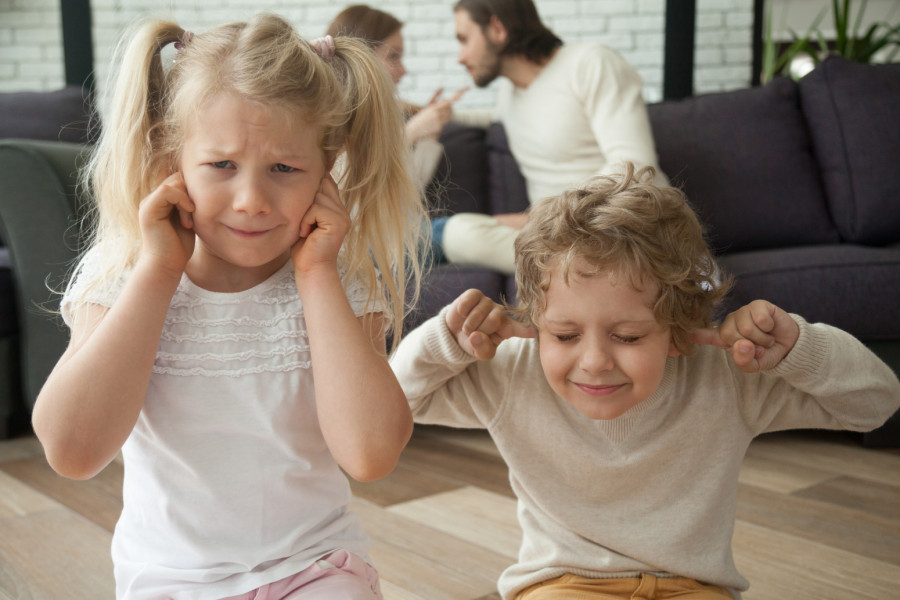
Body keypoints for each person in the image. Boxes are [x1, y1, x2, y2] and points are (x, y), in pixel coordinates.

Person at [31, 13, 427, 600]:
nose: (250, 201)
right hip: (169, 579)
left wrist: (316, 274)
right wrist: (158, 272)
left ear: (327, 169)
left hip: (315, 566)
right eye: (221, 166)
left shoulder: (340, 278)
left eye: (285, 169)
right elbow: (72, 450)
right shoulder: (119, 272)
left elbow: (370, 455)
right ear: (171, 158)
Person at [389, 164, 900, 600]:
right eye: (564, 334)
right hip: (561, 583)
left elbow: (875, 404)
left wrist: (799, 348)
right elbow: (395, 403)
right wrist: (445, 342)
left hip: (693, 586)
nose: (593, 361)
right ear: (536, 323)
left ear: (680, 332)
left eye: (628, 337)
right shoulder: (514, 370)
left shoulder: (728, 375)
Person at [433, 0, 668, 274]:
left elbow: (636, 166)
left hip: (623, 231)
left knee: (458, 232)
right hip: (556, 238)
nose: (460, 57)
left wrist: (540, 217)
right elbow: (492, 116)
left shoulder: (590, 63)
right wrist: (419, 112)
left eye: (464, 39)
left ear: (497, 28)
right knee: (460, 230)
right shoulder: (510, 95)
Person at [326, 4, 468, 190]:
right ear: (361, 58)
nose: (403, 70)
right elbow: (345, 192)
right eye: (393, 57)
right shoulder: (327, 118)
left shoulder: (383, 116)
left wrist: (429, 134)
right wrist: (411, 133)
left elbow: (410, 192)